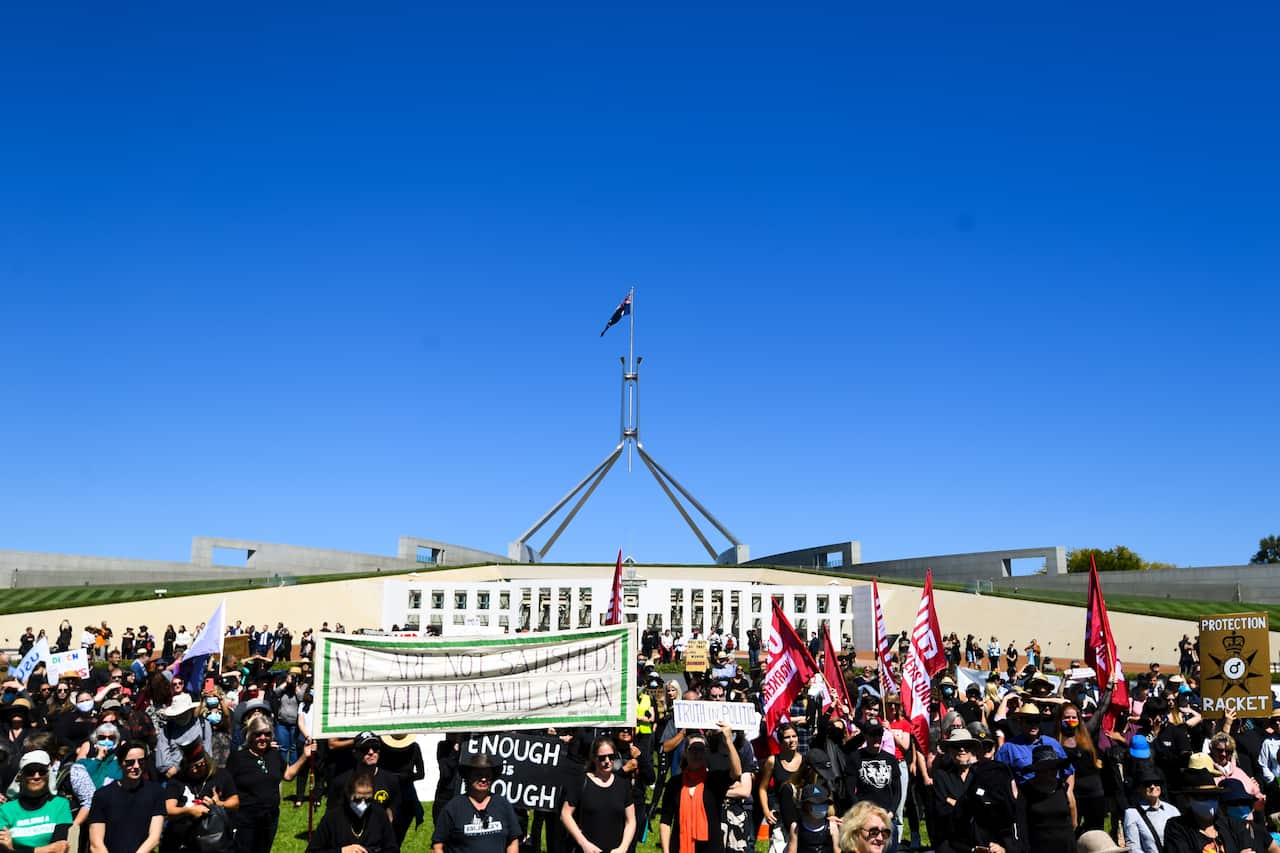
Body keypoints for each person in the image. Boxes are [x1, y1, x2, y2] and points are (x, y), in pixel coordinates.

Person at [227, 714, 313, 853]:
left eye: (267, 734)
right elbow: (227, 786)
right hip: (245, 820)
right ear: (250, 735)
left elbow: (288, 774)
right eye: (258, 734)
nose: (263, 738)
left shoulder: (273, 754)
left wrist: (305, 755)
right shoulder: (238, 758)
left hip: (270, 818)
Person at [659, 724, 741, 853]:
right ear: (686, 753)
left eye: (701, 749)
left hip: (711, 848)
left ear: (706, 752)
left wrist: (729, 741)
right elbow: (665, 820)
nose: (697, 753)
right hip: (680, 847)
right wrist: (666, 850)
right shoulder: (674, 783)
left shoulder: (714, 780)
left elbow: (736, 772)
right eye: (693, 749)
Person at [431, 752, 520, 853]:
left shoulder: (503, 804)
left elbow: (513, 841)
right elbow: (437, 846)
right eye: (479, 775)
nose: (483, 779)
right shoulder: (453, 807)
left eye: (487, 775)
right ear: (468, 776)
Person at [86, 741, 165, 853]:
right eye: (130, 762)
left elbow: (154, 838)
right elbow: (96, 844)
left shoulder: (156, 792)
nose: (136, 766)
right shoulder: (102, 796)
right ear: (120, 763)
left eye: (141, 761)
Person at [162, 741, 240, 853]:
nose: (194, 770)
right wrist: (189, 811)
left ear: (206, 762)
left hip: (213, 841)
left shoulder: (221, 775)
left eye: (199, 766)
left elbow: (235, 803)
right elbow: (168, 810)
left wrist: (218, 804)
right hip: (181, 842)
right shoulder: (178, 780)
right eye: (190, 767)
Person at [562, 736, 636, 853]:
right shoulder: (581, 782)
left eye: (611, 757)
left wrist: (623, 847)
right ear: (594, 758)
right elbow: (565, 814)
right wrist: (584, 843)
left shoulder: (623, 784)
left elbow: (631, 821)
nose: (607, 761)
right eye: (602, 758)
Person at [306, 768, 398, 853]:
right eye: (357, 800)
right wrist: (342, 851)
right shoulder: (332, 818)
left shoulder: (379, 815)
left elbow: (392, 849)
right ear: (348, 795)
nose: (363, 805)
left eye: (368, 800)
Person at [0, 750, 72, 853]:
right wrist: (44, 849)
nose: (36, 776)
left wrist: (13, 850)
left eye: (42, 771)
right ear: (21, 775)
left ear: (49, 774)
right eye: (30, 771)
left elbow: (59, 849)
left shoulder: (60, 804)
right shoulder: (5, 810)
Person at [1021, 744, 1076, 853]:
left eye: (1053, 768)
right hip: (1038, 846)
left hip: (1065, 845)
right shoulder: (1025, 790)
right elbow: (1022, 823)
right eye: (1045, 769)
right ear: (1037, 770)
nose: (1050, 773)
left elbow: (1073, 821)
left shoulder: (1063, 787)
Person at [760, 724, 803, 853]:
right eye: (787, 737)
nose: (791, 740)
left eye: (794, 736)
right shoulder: (773, 761)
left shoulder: (805, 760)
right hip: (779, 815)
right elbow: (763, 788)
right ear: (780, 740)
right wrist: (766, 811)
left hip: (800, 814)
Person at [1122, 765, 1179, 853]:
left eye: (1156, 782)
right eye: (1147, 784)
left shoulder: (1172, 810)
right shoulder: (1132, 814)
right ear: (1139, 788)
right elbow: (1134, 848)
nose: (1153, 786)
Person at [786, 783, 838, 853]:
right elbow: (792, 851)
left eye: (823, 803)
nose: (821, 806)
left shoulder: (832, 826)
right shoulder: (796, 827)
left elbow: (837, 850)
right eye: (816, 803)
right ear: (805, 805)